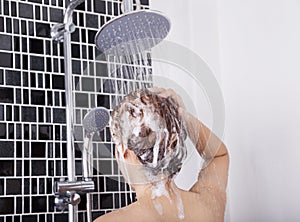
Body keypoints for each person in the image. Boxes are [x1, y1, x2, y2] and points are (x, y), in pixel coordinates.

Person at [94, 88, 229, 222]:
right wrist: (181, 114)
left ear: (123, 152)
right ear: (171, 144)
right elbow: (218, 156)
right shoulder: (208, 205)